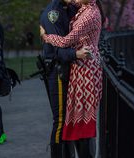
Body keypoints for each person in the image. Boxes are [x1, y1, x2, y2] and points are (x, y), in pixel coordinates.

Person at [40, 0, 103, 157]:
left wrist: (46, 36)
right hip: (59, 69)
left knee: (79, 118)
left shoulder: (80, 8)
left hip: (78, 68)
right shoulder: (53, 13)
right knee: (61, 120)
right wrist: (75, 54)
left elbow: (71, 40)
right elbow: (56, 50)